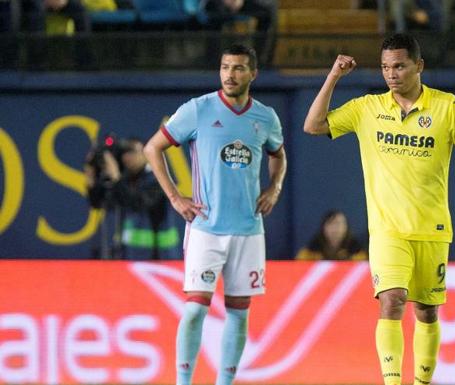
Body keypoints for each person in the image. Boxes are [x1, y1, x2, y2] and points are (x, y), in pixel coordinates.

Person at [303, 33, 455, 385]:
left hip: (432, 228)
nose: (391, 74)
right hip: (387, 230)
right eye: (386, 67)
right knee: (392, 299)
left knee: (427, 311)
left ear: (418, 66)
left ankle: (422, 382)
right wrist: (333, 77)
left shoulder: (446, 107)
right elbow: (313, 125)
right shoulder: (366, 108)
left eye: (400, 66)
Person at [143, 44, 286, 385]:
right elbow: (153, 148)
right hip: (206, 227)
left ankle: (225, 382)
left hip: (249, 229)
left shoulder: (265, 117)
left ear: (253, 74)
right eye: (225, 67)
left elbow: (278, 154)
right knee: (194, 309)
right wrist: (176, 198)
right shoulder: (198, 109)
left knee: (238, 312)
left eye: (238, 69)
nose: (229, 75)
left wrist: (275, 187)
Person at [85, 137, 180, 260]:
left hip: (160, 257)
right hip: (129, 257)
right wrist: (91, 176)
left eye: (132, 152)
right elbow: (97, 203)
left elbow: (138, 203)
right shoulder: (126, 179)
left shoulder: (158, 178)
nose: (127, 157)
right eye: (124, 153)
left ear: (146, 154)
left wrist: (116, 177)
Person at [295, 209, 367, 261]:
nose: (335, 228)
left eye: (339, 224)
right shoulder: (308, 254)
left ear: (346, 228)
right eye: (331, 224)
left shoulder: (358, 254)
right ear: (323, 227)